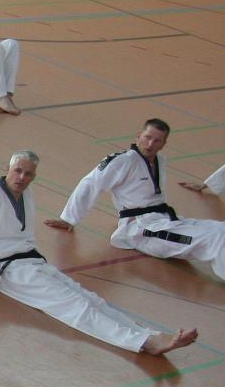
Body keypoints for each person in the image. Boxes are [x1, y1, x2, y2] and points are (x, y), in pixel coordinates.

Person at [0, 152, 196, 356]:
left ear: (34, 177)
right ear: (8, 169)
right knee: (76, 307)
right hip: (10, 272)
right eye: (17, 171)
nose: (22, 177)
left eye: (28, 174)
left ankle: (148, 333)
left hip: (33, 263)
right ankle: (144, 343)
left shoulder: (26, 196)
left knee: (91, 299)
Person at [50, 118, 225, 279]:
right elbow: (90, 183)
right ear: (139, 136)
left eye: (157, 141)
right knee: (214, 240)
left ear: (164, 144)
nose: (150, 144)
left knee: (221, 230)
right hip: (140, 229)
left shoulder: (160, 160)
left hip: (166, 220)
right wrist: (69, 218)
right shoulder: (122, 161)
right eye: (147, 137)